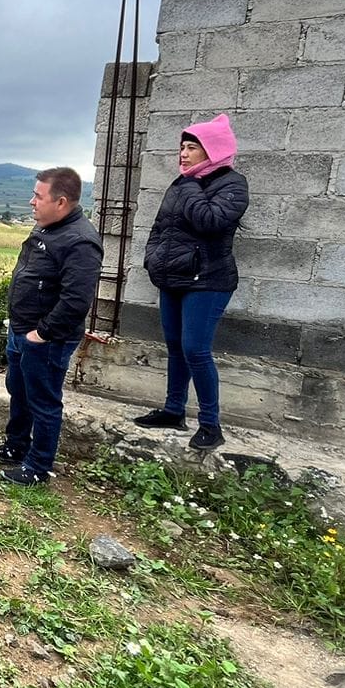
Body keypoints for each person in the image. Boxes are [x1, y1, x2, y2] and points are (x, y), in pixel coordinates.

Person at [132, 114, 249, 451]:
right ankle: (173, 411)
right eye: (181, 148)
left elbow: (210, 221)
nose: (182, 155)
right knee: (175, 348)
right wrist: (153, 256)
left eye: (191, 148)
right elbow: (161, 227)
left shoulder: (231, 184)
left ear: (211, 150)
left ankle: (211, 426)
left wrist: (190, 187)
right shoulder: (183, 182)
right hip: (173, 278)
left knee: (196, 349)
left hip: (209, 281)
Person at [0, 166, 103, 486]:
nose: (31, 202)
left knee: (44, 401)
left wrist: (42, 334)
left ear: (61, 202)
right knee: (20, 392)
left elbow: (76, 301)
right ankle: (15, 448)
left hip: (45, 338)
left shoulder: (80, 241)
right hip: (22, 330)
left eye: (38, 196)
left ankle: (38, 466)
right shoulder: (46, 228)